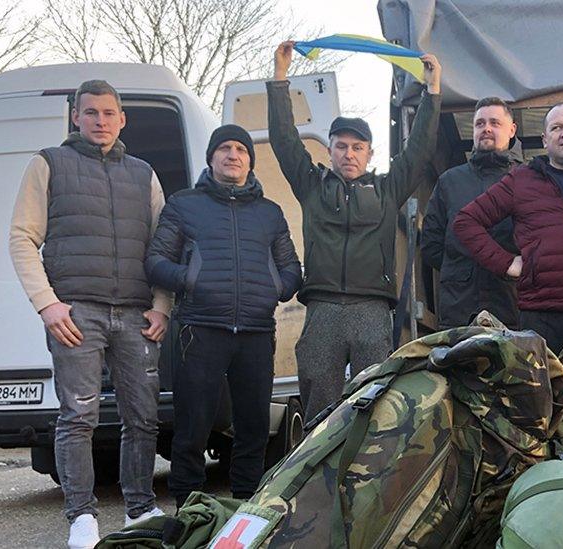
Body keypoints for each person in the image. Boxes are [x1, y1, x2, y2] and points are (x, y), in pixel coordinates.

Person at [8, 79, 170, 548]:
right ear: (75, 116)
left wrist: (162, 306)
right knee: (78, 417)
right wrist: (48, 303)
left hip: (137, 314)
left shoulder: (144, 174)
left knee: (142, 418)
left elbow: (162, 247)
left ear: (122, 119)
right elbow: (22, 236)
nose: (100, 121)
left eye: (108, 113)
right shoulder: (50, 163)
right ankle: (81, 516)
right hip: (76, 312)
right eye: (91, 112)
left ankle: (140, 509)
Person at [268, 41, 442, 419]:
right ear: (328, 150)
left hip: (372, 309)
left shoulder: (387, 189)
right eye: (341, 146)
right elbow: (283, 140)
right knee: (319, 403)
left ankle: (369, 477)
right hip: (322, 308)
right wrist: (280, 77)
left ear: (370, 153)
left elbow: (420, 150)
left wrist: (432, 91)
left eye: (357, 147)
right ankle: (318, 475)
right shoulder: (312, 185)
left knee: (374, 404)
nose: (349, 154)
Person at [145, 125, 301, 509]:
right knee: (192, 428)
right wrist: (192, 280)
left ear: (250, 159)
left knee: (252, 429)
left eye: (241, 149)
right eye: (225, 148)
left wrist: (273, 288)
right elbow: (155, 261)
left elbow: (291, 269)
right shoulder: (184, 205)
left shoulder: (269, 213)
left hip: (256, 333)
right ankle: (190, 509)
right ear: (211, 157)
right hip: (200, 331)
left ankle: (246, 507)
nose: (233, 155)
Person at [453, 103, 563, 385]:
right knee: (545, 409)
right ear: (545, 140)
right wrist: (508, 263)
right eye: (556, 128)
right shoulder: (522, 180)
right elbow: (466, 222)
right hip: (541, 317)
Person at [422, 96, 522, 329]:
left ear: (511, 130)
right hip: (459, 306)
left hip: (511, 302)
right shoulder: (449, 181)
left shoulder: (526, 180)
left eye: (495, 123)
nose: (486, 129)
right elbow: (430, 245)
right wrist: (461, 269)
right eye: (480, 124)